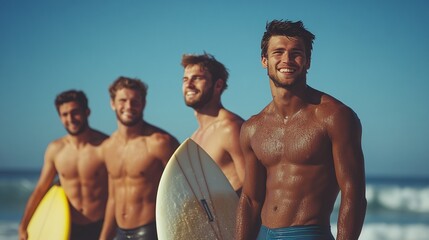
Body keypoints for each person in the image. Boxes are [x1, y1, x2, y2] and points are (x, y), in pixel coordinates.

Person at [235, 20, 367, 240]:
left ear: (307, 62)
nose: (286, 60)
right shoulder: (252, 128)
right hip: (262, 234)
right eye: (278, 52)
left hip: (307, 233)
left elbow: (353, 195)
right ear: (264, 61)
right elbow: (250, 199)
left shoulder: (335, 117)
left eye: (296, 53)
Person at [18, 90, 109, 240]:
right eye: (64, 115)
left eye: (75, 112)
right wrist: (24, 225)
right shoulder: (55, 149)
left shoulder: (105, 146)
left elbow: (119, 189)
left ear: (87, 112)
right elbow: (41, 188)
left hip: (100, 225)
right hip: (67, 226)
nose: (70, 119)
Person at [99, 76, 179, 240]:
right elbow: (113, 199)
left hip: (151, 232)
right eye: (123, 100)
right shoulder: (107, 147)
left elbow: (183, 191)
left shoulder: (160, 143)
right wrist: (104, 237)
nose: (129, 106)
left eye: (135, 101)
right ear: (112, 103)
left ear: (143, 104)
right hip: (119, 233)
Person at [181, 53, 245, 194]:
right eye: (185, 79)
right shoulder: (194, 137)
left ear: (218, 85)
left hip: (233, 215)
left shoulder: (231, 128)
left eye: (197, 78)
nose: (189, 84)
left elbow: (254, 193)